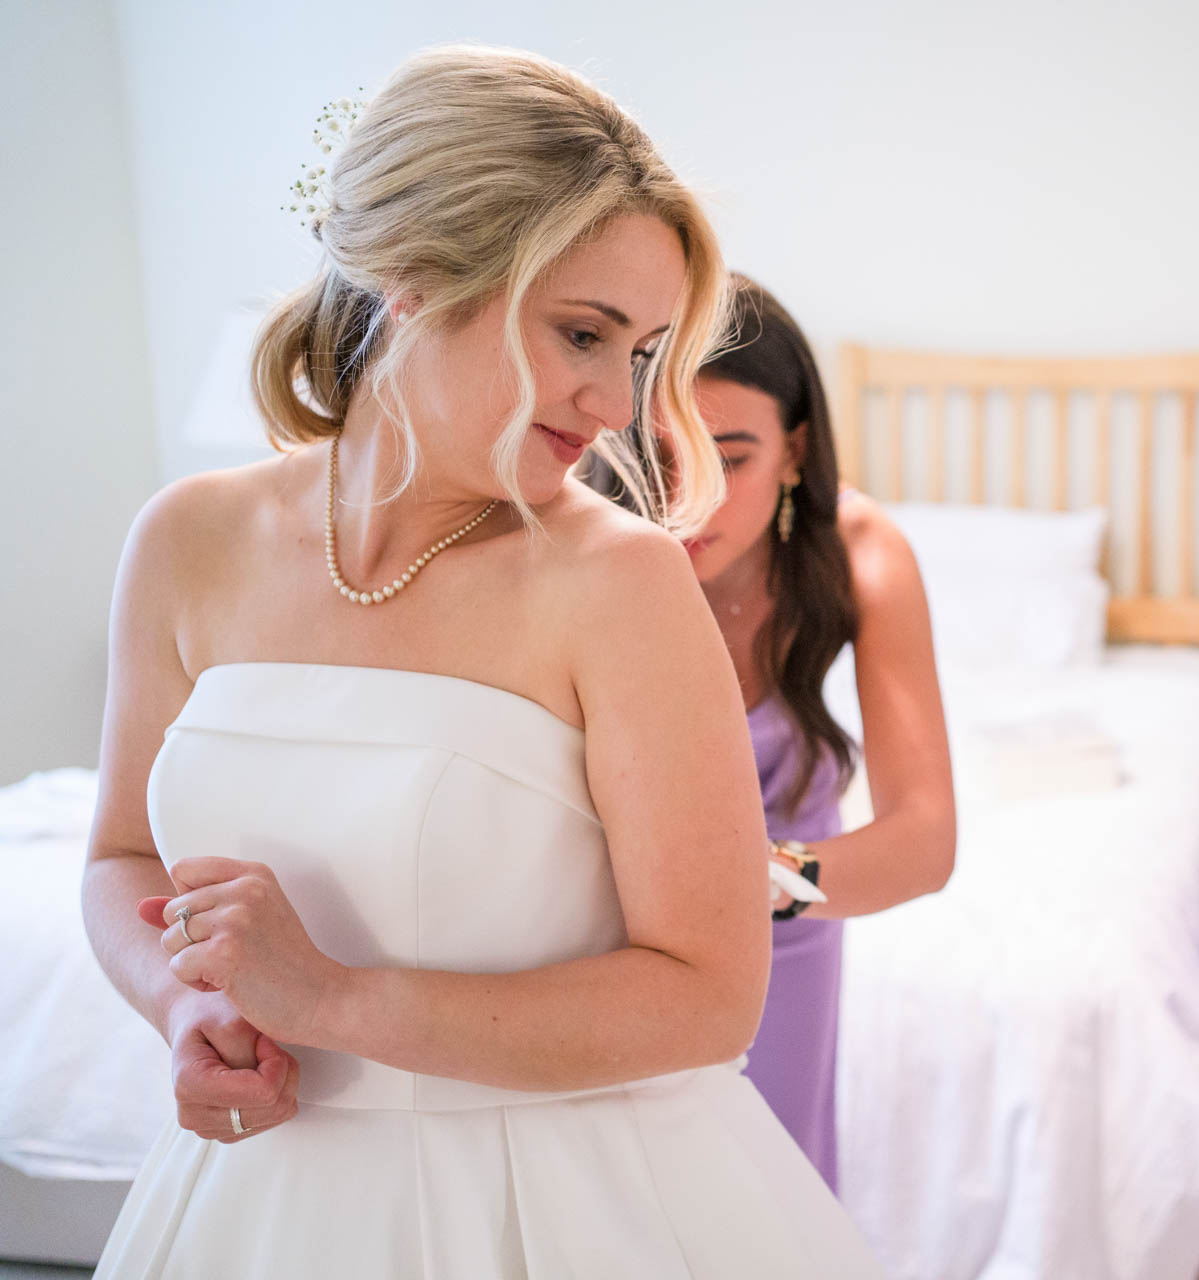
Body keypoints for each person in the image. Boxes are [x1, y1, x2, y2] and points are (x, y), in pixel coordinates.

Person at [81, 45, 882, 1277]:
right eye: (583, 333)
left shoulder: (617, 580)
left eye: (643, 351)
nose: (619, 404)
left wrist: (335, 1001)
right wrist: (184, 1002)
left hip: (556, 1207)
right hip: (263, 1193)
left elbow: (711, 992)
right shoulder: (189, 539)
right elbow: (121, 855)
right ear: (412, 276)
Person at [595, 276, 955, 1187]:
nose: (690, 501)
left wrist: (738, 888)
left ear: (795, 451)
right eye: (660, 459)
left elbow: (924, 842)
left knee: (768, 1198)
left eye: (732, 459)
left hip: (785, 939)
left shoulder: (860, 553)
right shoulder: (580, 558)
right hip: (601, 953)